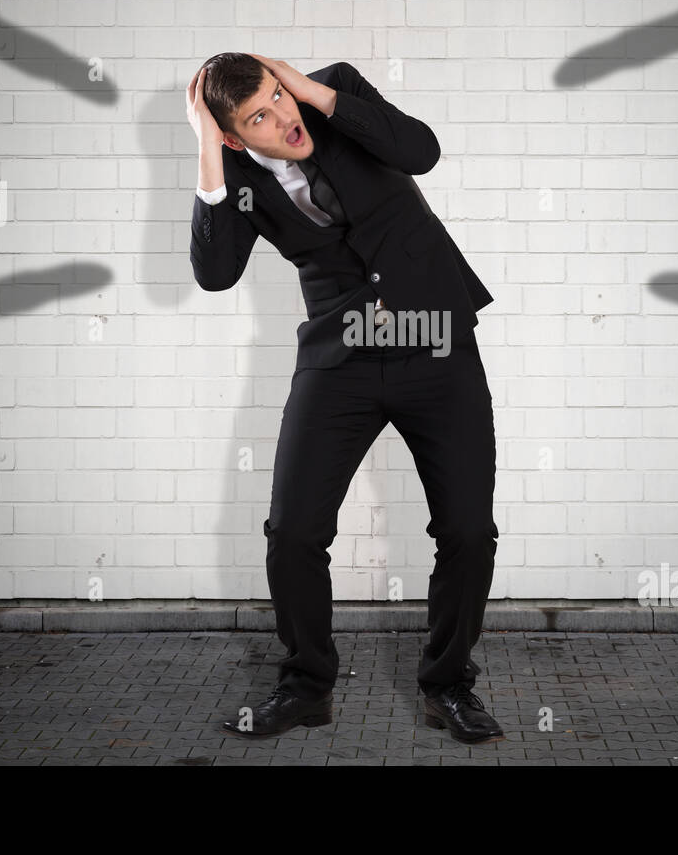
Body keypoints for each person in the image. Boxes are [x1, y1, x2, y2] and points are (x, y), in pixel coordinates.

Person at [186, 52, 503, 744]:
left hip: (437, 339)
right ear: (236, 136)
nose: (284, 119)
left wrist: (311, 91)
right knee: (293, 531)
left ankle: (448, 685)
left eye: (279, 96)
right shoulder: (235, 171)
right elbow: (214, 274)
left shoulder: (334, 97)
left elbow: (421, 151)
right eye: (260, 117)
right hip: (340, 357)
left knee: (468, 532)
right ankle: (306, 685)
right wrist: (208, 148)